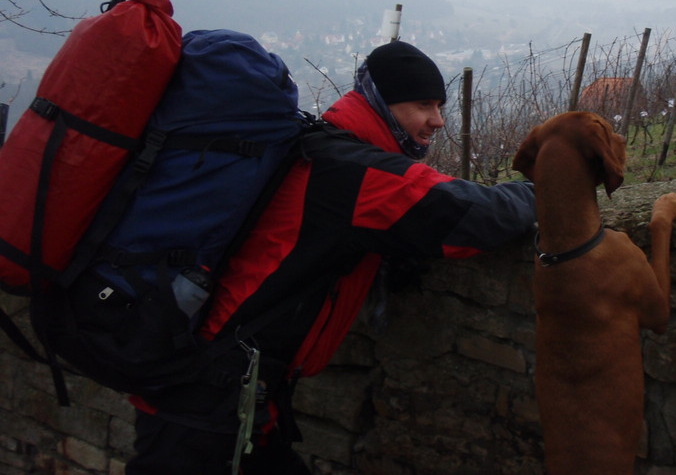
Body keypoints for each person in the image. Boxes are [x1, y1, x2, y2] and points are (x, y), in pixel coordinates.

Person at [126, 41, 536, 475]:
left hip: (225, 397)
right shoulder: (351, 171)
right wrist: (547, 188)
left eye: (439, 105)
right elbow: (473, 217)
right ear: (382, 103)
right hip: (207, 407)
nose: (437, 119)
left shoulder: (326, 149)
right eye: (422, 104)